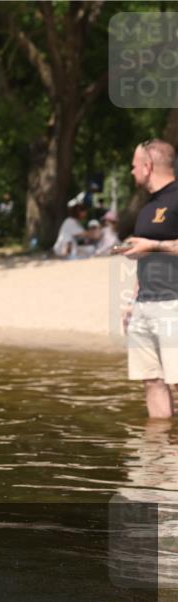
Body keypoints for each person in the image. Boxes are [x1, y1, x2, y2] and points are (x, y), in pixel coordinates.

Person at [121, 138, 178, 419]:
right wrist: (133, 301)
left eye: (134, 165)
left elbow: (155, 247)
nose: (131, 171)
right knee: (152, 380)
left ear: (148, 165)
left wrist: (154, 246)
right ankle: (159, 456)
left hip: (174, 304)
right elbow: (146, 257)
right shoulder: (146, 207)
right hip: (145, 304)